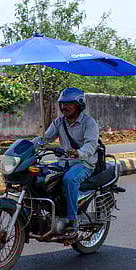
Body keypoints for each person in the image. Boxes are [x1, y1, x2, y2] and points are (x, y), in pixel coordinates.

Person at [32, 87, 99, 237]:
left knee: (69, 179)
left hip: (83, 164)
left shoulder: (89, 123)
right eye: (63, 103)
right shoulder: (59, 122)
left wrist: (78, 153)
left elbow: (90, 145)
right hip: (63, 163)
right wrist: (27, 146)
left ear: (80, 105)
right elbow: (45, 139)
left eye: (69, 103)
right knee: (40, 175)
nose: (65, 107)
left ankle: (72, 221)